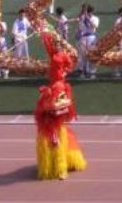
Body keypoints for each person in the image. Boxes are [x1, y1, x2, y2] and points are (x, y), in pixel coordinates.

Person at [35, 51, 86, 180]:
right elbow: (43, 108)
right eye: (61, 69)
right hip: (46, 123)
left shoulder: (63, 87)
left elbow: (66, 108)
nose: (63, 72)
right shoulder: (51, 88)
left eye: (63, 69)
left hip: (57, 125)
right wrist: (47, 105)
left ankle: (60, 170)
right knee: (45, 148)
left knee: (57, 147)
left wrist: (56, 108)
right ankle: (47, 169)